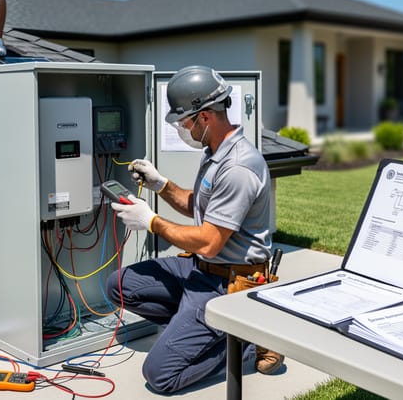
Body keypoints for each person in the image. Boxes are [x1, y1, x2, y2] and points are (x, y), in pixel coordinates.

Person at [106, 65, 283, 394]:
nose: (182, 128)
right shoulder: (215, 153)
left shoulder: (239, 167)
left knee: (159, 375)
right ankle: (195, 330)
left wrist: (152, 222)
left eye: (184, 121)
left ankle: (241, 342)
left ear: (205, 117)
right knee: (119, 285)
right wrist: (160, 185)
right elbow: (197, 206)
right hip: (199, 270)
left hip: (226, 281)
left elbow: (211, 241)